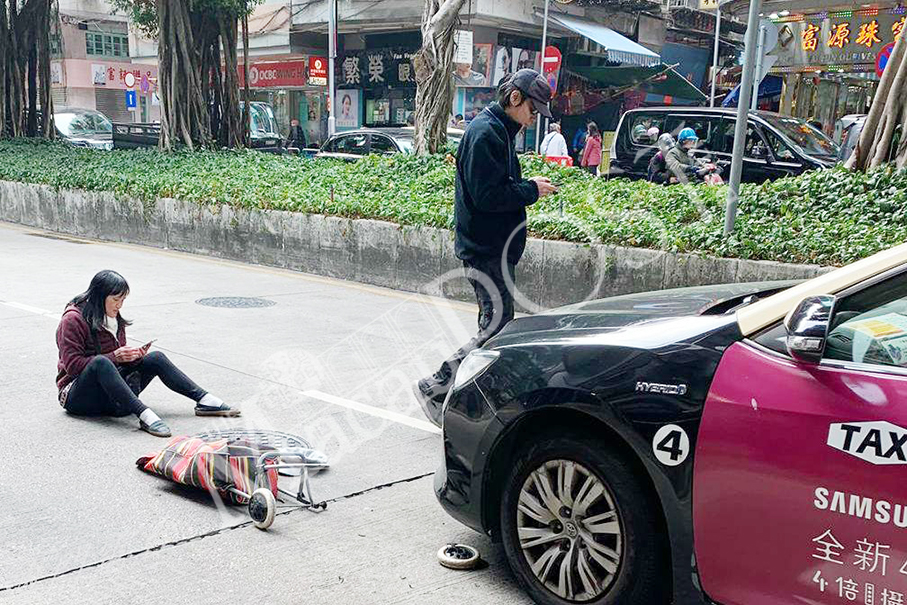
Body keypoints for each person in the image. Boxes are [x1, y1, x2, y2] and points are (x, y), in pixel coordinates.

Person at [413, 69, 558, 426]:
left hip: (495, 250)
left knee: (497, 326)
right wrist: (530, 190)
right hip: (484, 250)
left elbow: (497, 186)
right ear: (514, 99)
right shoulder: (486, 134)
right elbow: (487, 195)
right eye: (532, 109)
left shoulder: (500, 132)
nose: (533, 117)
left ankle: (476, 398)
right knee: (495, 327)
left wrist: (526, 186)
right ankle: (437, 385)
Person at [56, 270, 239, 438]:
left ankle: (204, 400)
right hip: (77, 396)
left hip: (109, 396)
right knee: (101, 363)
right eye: (115, 300)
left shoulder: (113, 316)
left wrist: (132, 356)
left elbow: (116, 362)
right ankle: (145, 415)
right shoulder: (73, 319)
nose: (119, 305)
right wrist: (115, 356)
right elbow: (73, 367)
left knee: (155, 358)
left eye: (123, 300)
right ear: (99, 296)